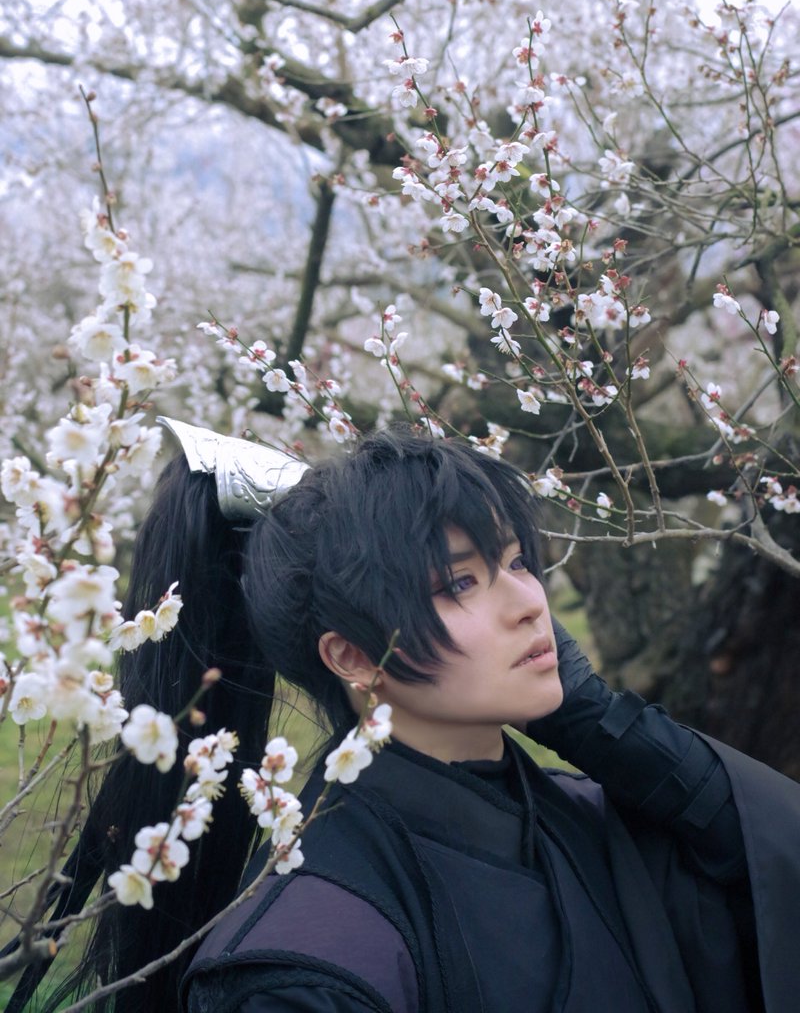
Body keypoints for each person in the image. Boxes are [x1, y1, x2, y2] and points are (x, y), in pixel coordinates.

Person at [10, 423, 800, 1012]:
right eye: (459, 584)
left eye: (516, 562)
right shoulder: (315, 944)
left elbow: (771, 863)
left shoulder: (583, 816)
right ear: (353, 656)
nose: (530, 604)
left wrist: (588, 716)